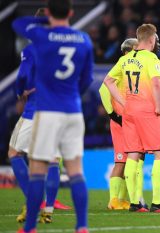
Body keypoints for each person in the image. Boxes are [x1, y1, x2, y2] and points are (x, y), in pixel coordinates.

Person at [12, 0, 94, 232]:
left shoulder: (42, 36)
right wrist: (73, 96)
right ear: (71, 12)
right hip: (73, 111)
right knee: (76, 170)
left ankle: (29, 228)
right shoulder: (83, 39)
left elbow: (18, 22)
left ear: (48, 13)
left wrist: (43, 20)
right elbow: (87, 79)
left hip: (48, 111)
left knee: (37, 168)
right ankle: (82, 226)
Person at [104, 23, 160, 213]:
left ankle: (136, 203)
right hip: (147, 111)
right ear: (152, 40)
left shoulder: (126, 58)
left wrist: (123, 102)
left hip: (129, 111)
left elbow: (108, 81)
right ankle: (157, 202)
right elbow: (155, 84)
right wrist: (157, 107)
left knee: (133, 155)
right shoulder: (151, 58)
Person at [9, 43, 71, 224]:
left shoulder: (32, 49)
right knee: (53, 160)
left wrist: (21, 91)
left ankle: (33, 203)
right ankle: (48, 210)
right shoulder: (65, 49)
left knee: (14, 153)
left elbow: (22, 75)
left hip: (36, 110)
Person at [99, 38, 138, 210]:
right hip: (121, 120)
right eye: (136, 49)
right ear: (127, 51)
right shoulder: (122, 64)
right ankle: (113, 199)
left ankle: (121, 199)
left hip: (131, 119)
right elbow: (103, 89)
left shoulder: (131, 67)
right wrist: (113, 115)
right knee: (121, 160)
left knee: (129, 160)